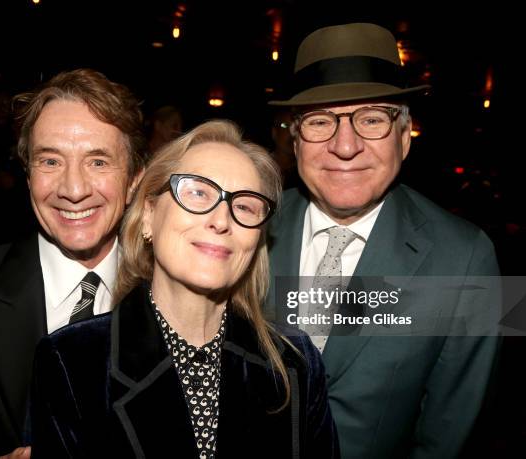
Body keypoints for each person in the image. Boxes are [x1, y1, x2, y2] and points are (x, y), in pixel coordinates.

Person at [29, 120, 339, 458]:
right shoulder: (71, 361)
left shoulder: (296, 365)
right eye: (197, 192)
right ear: (148, 215)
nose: (221, 220)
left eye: (245, 205)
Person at [266, 23, 501, 458]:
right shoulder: (248, 227)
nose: (345, 145)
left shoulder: (466, 257)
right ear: (294, 138)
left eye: (372, 118)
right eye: (320, 121)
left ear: (404, 135)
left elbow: (451, 433)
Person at [0, 68, 147, 457]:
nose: (73, 190)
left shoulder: (170, 294)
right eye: (50, 162)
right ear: (27, 176)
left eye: (97, 162)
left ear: (133, 181)